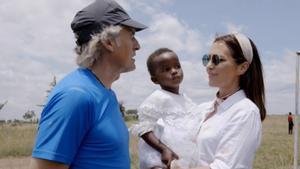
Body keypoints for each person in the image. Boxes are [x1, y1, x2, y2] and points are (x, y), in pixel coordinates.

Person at [29, 0, 146, 169]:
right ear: (109, 42)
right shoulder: (76, 95)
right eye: (132, 36)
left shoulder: (107, 93)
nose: (138, 46)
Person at [175, 33, 266, 169]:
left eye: (217, 60)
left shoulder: (246, 112)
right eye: (207, 59)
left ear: (242, 67)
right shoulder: (204, 109)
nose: (209, 66)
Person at [130, 48, 200, 169]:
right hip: (160, 159)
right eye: (166, 69)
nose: (174, 71)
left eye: (177, 66)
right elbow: (145, 129)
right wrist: (163, 149)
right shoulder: (158, 97)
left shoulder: (187, 100)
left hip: (181, 159)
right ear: (155, 79)